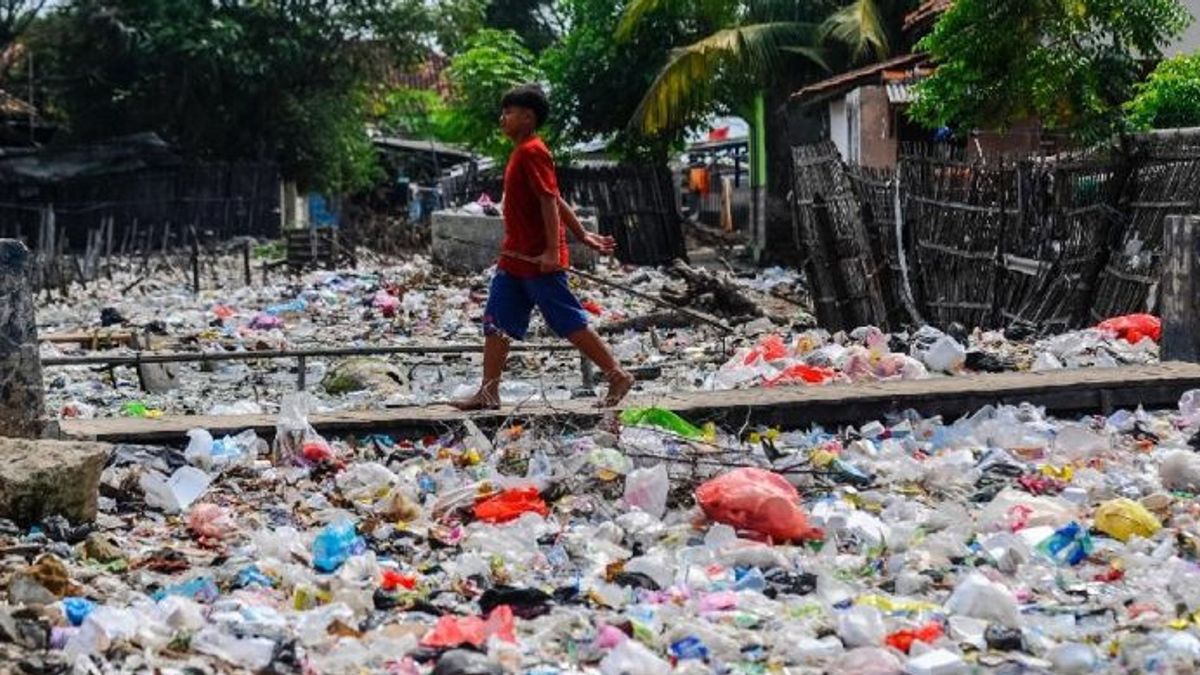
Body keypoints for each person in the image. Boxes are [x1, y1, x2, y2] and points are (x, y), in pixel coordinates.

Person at [451, 84, 635, 411]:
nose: (502, 118)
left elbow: (548, 201)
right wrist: (582, 234)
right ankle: (489, 392)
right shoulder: (522, 151)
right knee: (496, 321)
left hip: (537, 260)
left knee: (566, 321)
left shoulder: (532, 151)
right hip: (515, 258)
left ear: (527, 117)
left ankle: (617, 375)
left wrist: (553, 251)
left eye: (508, 112)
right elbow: (556, 196)